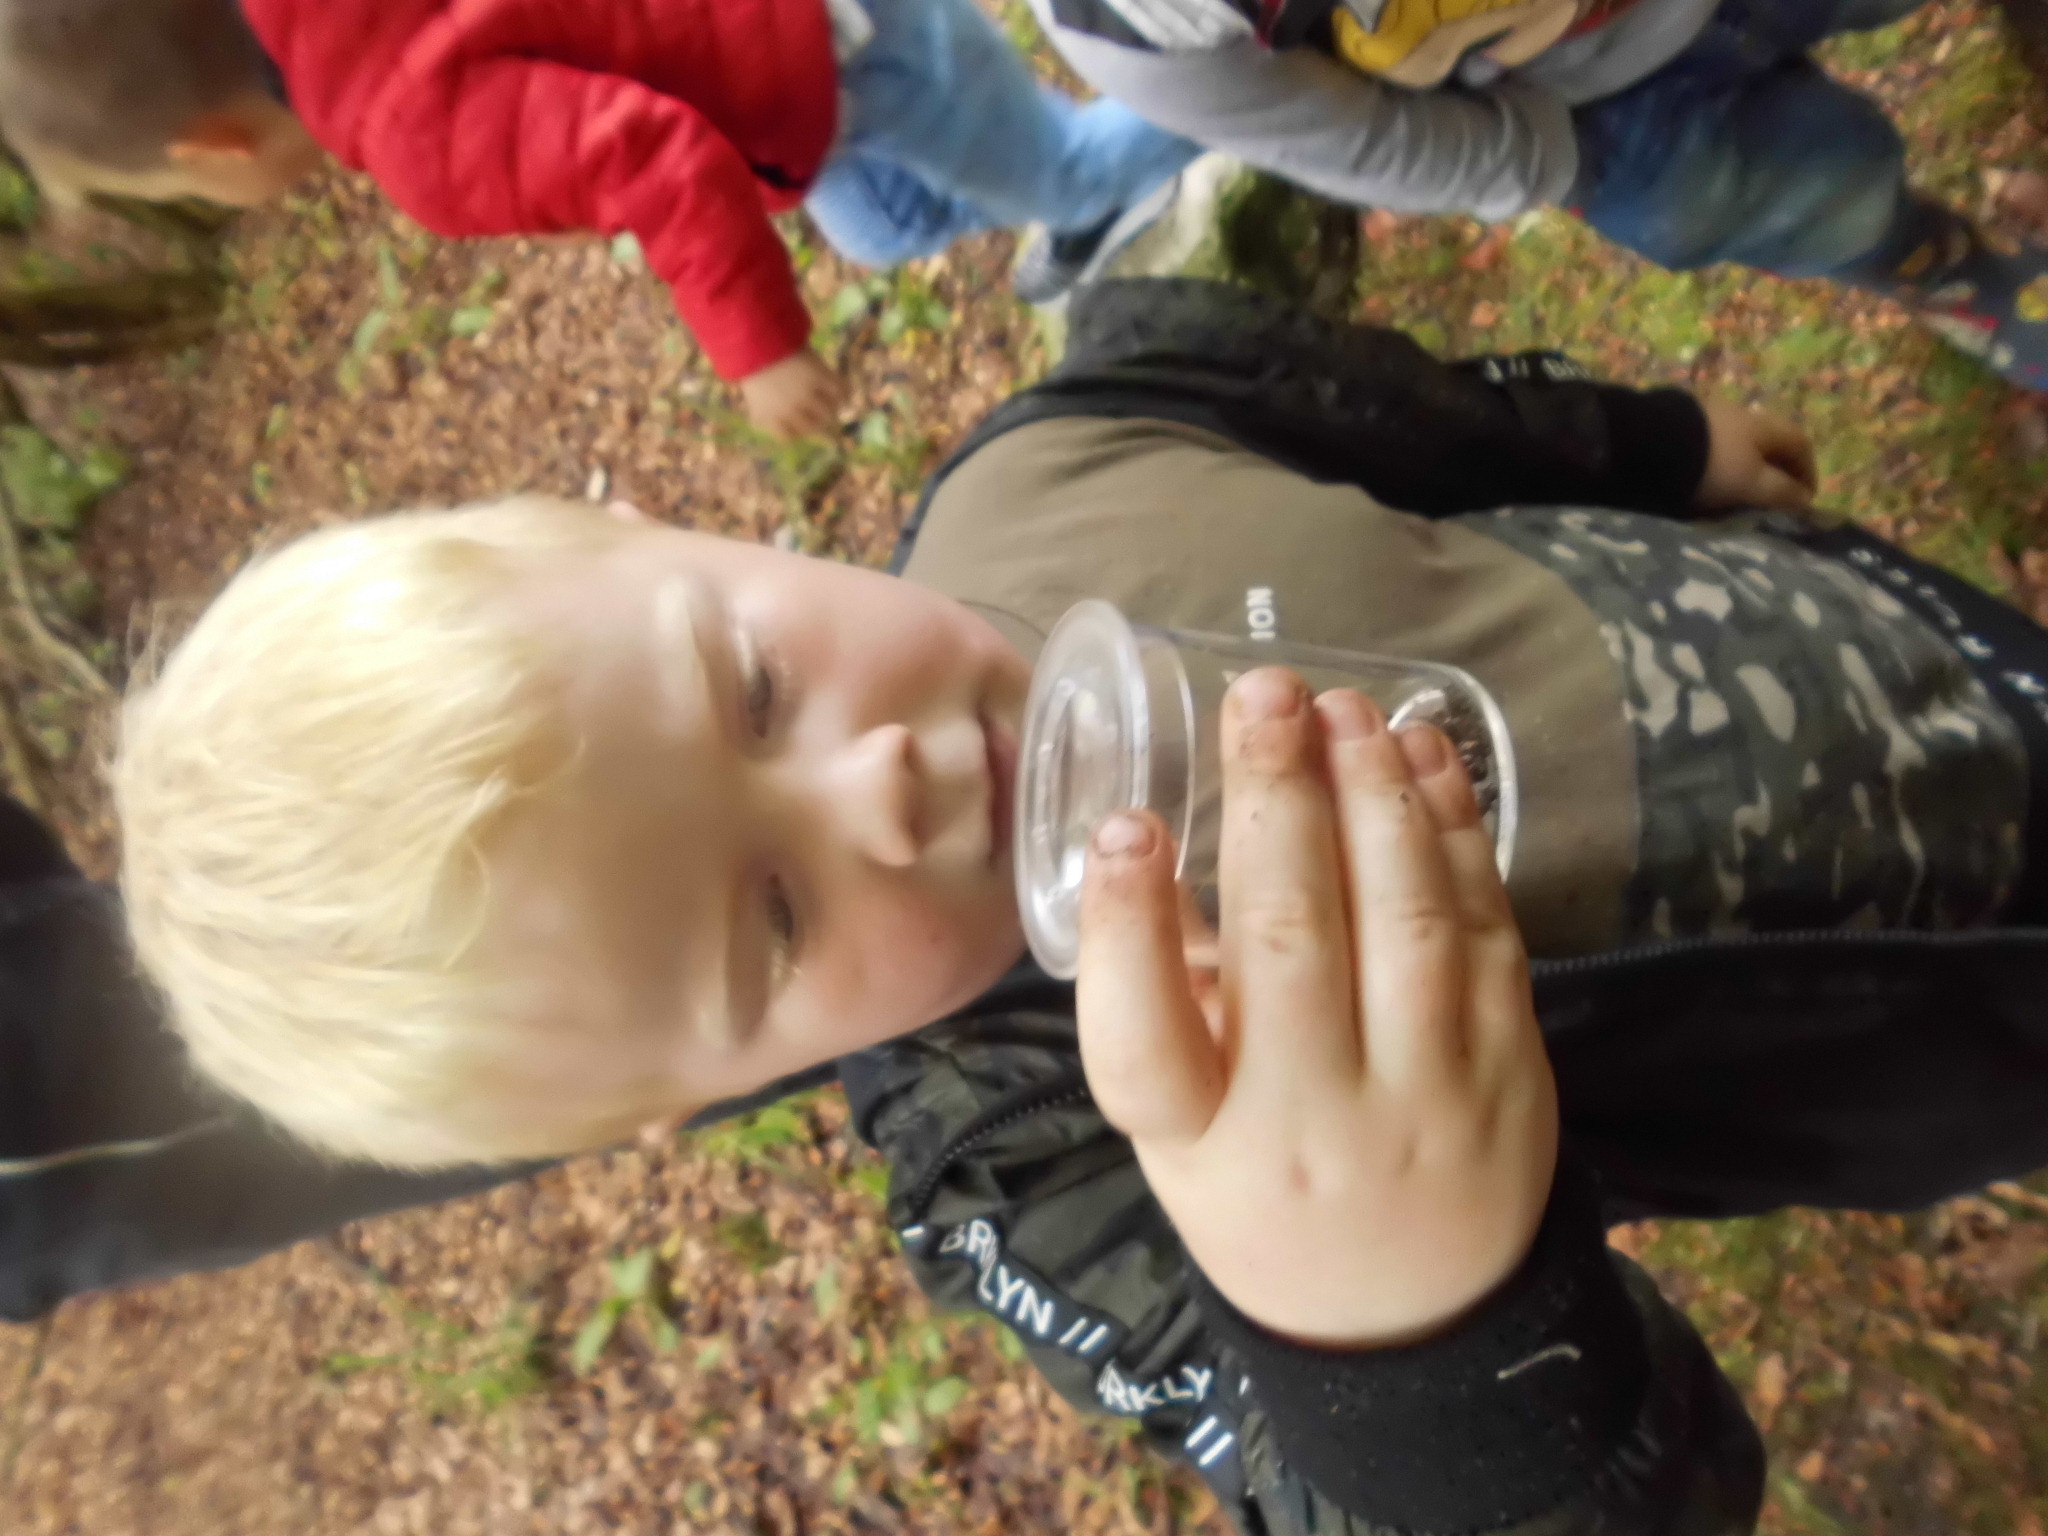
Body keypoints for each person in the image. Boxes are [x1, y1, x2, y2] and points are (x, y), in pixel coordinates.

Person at [107, 277, 2048, 1534]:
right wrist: (1394, 1326)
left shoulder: (1076, 445)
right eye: (771, 924)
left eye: (754, 687)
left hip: (1892, 633)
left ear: (656, 532)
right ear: (693, 1100)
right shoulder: (1035, 1164)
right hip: (1973, 1018)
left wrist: (1658, 443)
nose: (885, 784)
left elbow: (1420, 415)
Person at [0, 0, 1196, 438]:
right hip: (789, 72)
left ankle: (1241, 82)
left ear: (213, 148)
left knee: (1068, 174)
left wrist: (758, 349)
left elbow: (656, 158)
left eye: (178, 197)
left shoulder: (409, 134)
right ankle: (1037, 158)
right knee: (877, 228)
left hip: (840, 52)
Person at [1019, 0, 2048, 391]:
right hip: (1589, 100)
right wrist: (1553, 164)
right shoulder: (1124, 22)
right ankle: (1934, 263)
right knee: (1804, 196)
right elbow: (1360, 141)